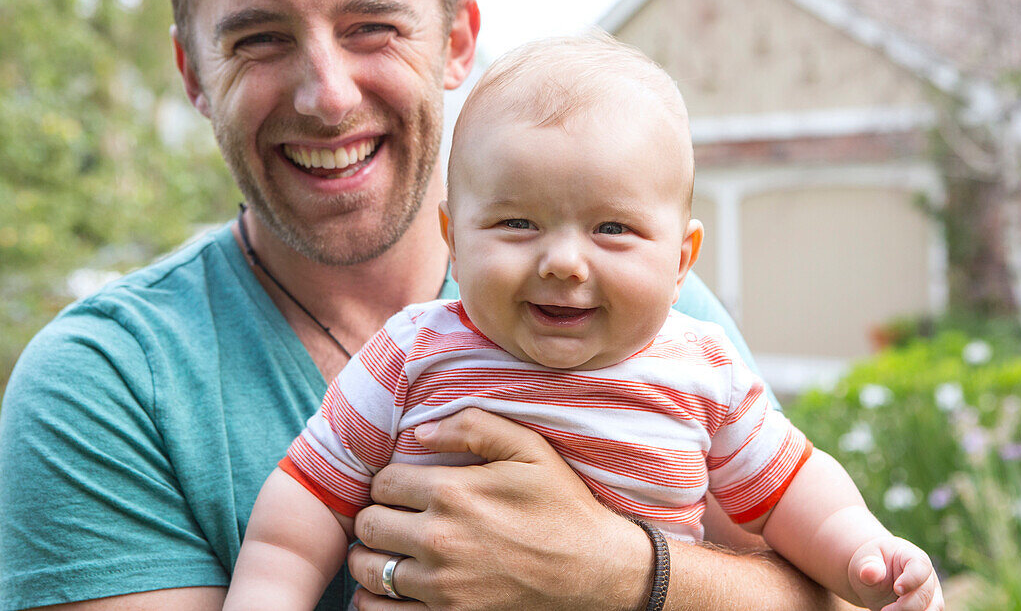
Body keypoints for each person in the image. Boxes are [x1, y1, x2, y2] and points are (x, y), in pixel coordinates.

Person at [0, 0, 863, 610]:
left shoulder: (652, 311)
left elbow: (815, 579)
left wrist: (615, 567)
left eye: (372, 26)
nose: (327, 96)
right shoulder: (107, 383)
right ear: (193, 71)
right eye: (259, 38)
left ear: (456, 42)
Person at [224, 34, 944, 611]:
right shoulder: (412, 352)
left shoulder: (702, 368)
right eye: (516, 222)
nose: (563, 261)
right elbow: (303, 505)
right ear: (455, 236)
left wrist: (863, 554)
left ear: (681, 257)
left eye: (612, 228)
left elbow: (792, 489)